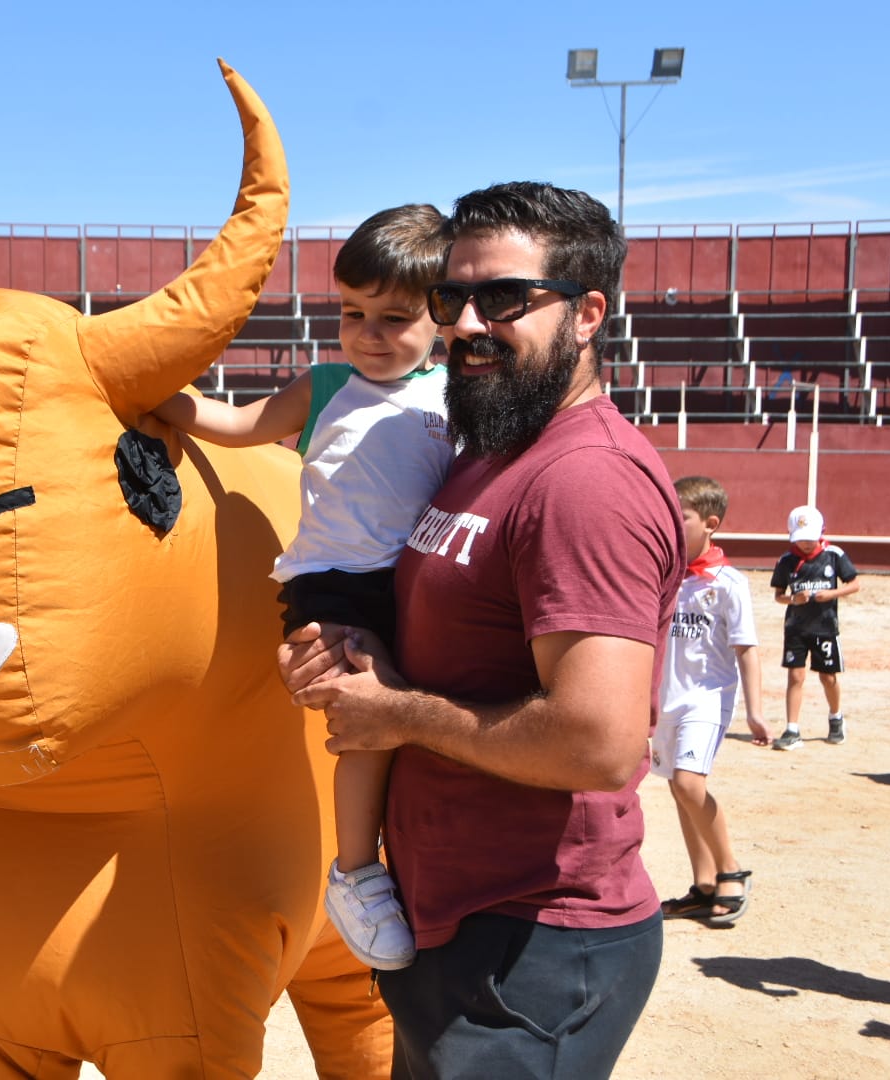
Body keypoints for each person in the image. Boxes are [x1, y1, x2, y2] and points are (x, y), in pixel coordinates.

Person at [280, 182, 682, 1078]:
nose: (466, 322)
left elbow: (599, 742)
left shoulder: (585, 483)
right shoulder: (486, 451)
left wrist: (397, 714)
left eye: (503, 298)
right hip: (455, 922)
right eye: (450, 298)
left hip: (534, 943)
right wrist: (353, 660)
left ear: (585, 313)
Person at [152, 204, 453, 971]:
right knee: (368, 719)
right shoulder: (324, 387)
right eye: (353, 313)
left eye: (394, 317)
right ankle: (355, 872)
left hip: (421, 582)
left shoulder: (457, 398)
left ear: (442, 315)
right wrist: (159, 399)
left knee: (426, 723)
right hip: (334, 586)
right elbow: (241, 422)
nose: (369, 334)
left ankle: (410, 856)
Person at [654, 476, 764, 926]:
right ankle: (702, 885)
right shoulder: (666, 576)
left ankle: (731, 870)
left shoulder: (730, 583)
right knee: (679, 792)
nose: (671, 523)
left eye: (681, 516)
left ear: (710, 523)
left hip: (707, 698)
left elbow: (747, 649)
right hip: (667, 701)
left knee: (688, 784)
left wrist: (756, 712)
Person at [769, 504, 859, 750]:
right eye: (801, 540)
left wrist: (830, 594)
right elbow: (778, 595)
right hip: (795, 626)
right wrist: (793, 599)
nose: (806, 545)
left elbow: (854, 584)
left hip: (825, 626)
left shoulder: (834, 555)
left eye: (810, 539)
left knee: (828, 677)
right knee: (795, 675)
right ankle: (792, 729)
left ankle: (835, 716)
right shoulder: (787, 560)